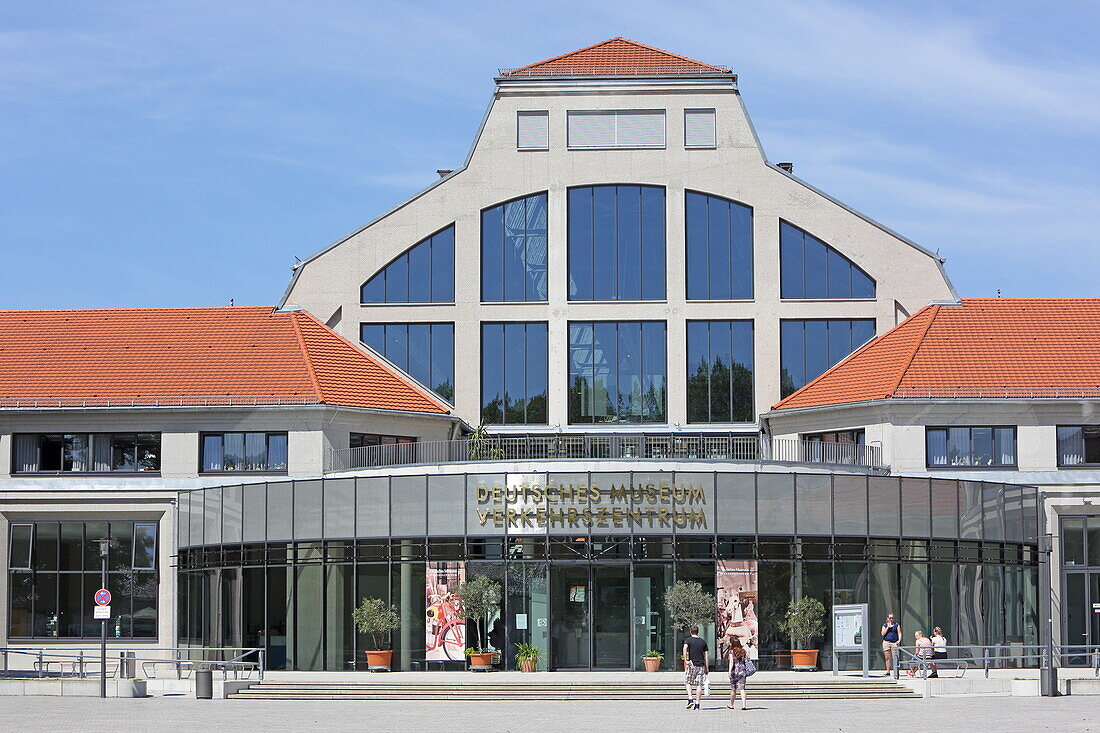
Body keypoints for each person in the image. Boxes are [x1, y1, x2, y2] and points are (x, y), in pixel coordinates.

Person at [682, 625, 709, 711]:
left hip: (692, 664)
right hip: (701, 665)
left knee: (688, 681)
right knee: (699, 685)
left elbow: (685, 648)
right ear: (698, 632)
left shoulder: (688, 640)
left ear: (690, 632)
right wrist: (707, 667)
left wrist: (685, 659)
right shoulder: (703, 642)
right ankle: (697, 704)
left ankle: (690, 698)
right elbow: (706, 655)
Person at [726, 636, 749, 711]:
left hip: (734, 672)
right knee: (742, 689)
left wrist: (729, 672)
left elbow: (731, 662)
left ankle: (731, 704)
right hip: (742, 671)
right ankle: (744, 705)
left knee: (733, 689)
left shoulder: (731, 652)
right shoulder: (743, 651)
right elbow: (746, 660)